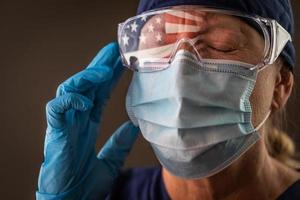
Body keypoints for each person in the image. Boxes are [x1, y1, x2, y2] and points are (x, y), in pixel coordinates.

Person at [36, 0, 300, 199]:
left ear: (280, 86)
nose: (180, 73)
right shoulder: (107, 194)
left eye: (222, 45)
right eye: (159, 44)